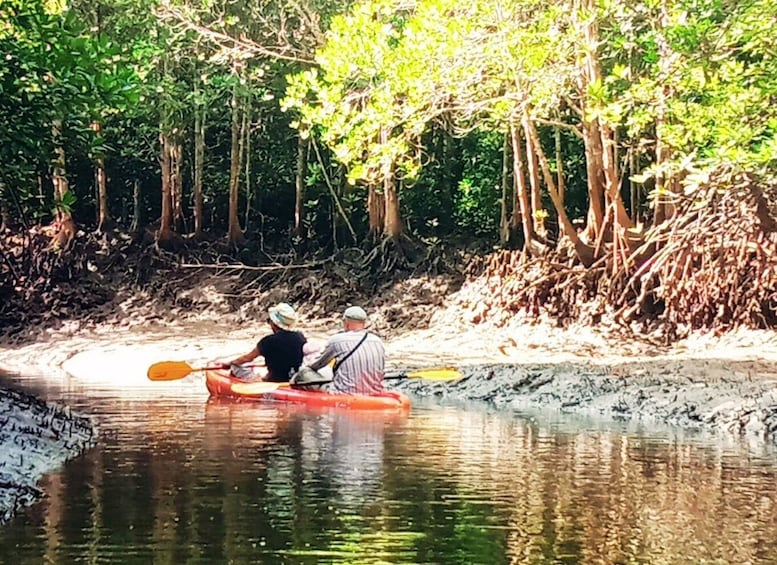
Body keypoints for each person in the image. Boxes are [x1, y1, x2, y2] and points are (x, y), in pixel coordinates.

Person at [295, 306, 385, 394]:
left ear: (346, 323)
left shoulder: (337, 340)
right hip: (375, 391)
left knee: (304, 372)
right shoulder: (378, 341)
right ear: (364, 323)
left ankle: (292, 389)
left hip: (343, 393)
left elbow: (316, 365)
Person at [224, 302, 306, 382]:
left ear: (273, 323)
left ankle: (259, 380)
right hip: (294, 380)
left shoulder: (268, 341)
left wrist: (231, 363)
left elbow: (247, 358)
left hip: (273, 381)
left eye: (269, 320)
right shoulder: (300, 337)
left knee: (235, 366)